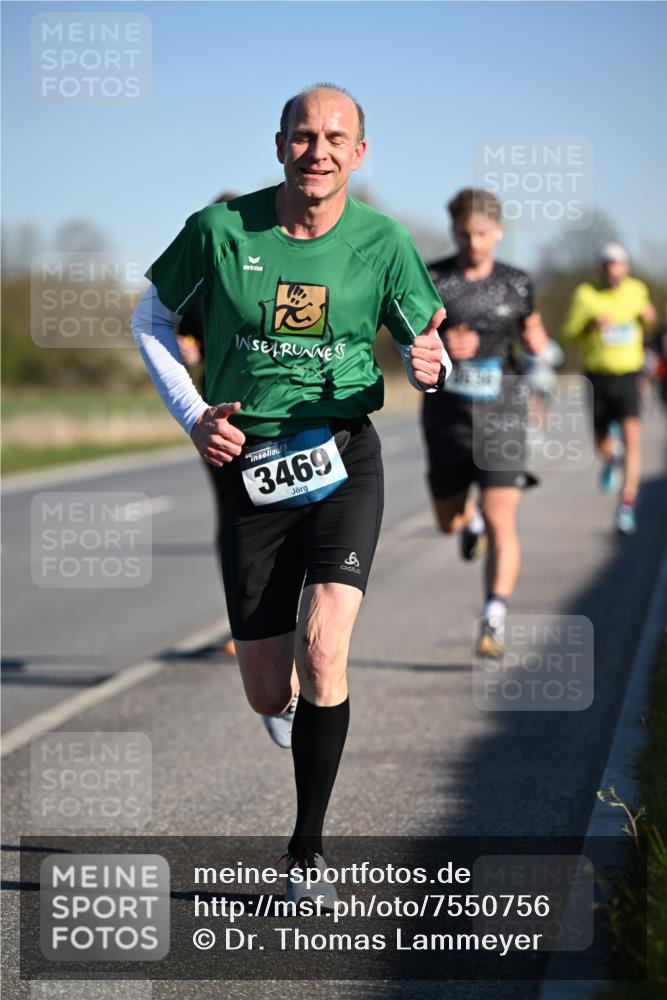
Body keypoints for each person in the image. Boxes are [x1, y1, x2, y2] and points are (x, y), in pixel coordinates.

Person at [131, 83, 450, 898]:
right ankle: (282, 708)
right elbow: (149, 319)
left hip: (344, 456)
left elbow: (428, 342)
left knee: (325, 647)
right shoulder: (219, 229)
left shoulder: (383, 242)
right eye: (304, 136)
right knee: (268, 687)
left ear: (358, 153)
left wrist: (430, 367)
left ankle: (305, 856)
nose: (318, 151)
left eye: (335, 138)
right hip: (251, 465)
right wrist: (193, 415)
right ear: (279, 146)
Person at [422, 189, 547, 658]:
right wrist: (440, 343)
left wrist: (538, 344)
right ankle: (467, 521)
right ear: (453, 232)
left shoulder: (517, 282)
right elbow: (407, 338)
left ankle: (494, 616)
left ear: (497, 231)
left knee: (502, 519)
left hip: (503, 415)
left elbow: (533, 334)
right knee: (448, 522)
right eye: (463, 234)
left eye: (480, 233)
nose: (472, 242)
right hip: (448, 418)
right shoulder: (433, 279)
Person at [561, 242, 656, 534]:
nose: (613, 269)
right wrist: (590, 325)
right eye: (607, 264)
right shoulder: (586, 294)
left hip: (628, 374)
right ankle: (611, 458)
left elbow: (647, 323)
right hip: (597, 376)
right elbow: (568, 332)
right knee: (602, 444)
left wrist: (648, 317)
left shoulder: (637, 290)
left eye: (617, 263)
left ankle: (626, 505)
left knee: (632, 441)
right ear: (601, 268)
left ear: (625, 267)